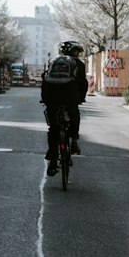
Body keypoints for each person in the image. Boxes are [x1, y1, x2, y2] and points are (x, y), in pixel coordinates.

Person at [40, 40, 87, 176]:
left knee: (53, 127)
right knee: (74, 116)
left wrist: (45, 98)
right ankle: (74, 142)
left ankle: (53, 159)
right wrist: (81, 98)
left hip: (52, 97)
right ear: (74, 52)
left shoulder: (53, 61)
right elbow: (83, 83)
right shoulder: (78, 64)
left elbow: (45, 80)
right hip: (70, 96)